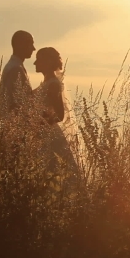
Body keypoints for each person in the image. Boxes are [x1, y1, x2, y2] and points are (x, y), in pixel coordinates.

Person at [32, 47, 80, 196]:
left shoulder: (53, 84)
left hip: (50, 136)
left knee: (56, 174)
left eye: (38, 59)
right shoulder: (46, 83)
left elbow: (59, 115)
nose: (34, 63)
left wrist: (38, 123)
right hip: (43, 135)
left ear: (47, 62)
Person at [0, 30, 37, 180]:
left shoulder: (15, 67)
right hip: (15, 133)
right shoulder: (15, 69)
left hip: (12, 131)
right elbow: (16, 103)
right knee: (16, 178)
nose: (33, 48)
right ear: (20, 44)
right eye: (30, 44)